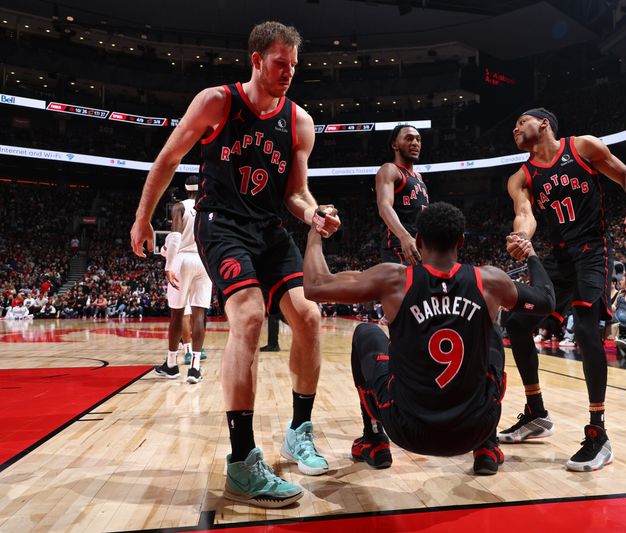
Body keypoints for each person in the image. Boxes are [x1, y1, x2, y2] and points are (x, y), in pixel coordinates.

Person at [130, 21, 340, 508]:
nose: (288, 72)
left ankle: (298, 430)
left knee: (309, 315)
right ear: (256, 59)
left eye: (294, 64)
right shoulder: (216, 102)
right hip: (221, 224)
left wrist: (314, 213)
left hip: (269, 229)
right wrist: (143, 220)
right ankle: (242, 463)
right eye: (279, 62)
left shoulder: (299, 122)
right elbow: (166, 159)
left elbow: (295, 193)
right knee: (247, 315)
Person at [302, 202, 555, 475]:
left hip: (408, 430)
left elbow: (315, 286)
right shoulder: (490, 281)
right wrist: (531, 255)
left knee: (366, 332)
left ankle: (374, 439)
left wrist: (317, 230)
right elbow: (546, 300)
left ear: (419, 240)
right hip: (474, 427)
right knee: (492, 330)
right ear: (461, 240)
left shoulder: (394, 280)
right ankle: (487, 445)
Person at [503, 108, 626, 471]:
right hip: (557, 258)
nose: (515, 127)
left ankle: (598, 433)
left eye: (522, 121)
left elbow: (625, 175)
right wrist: (522, 236)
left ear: (544, 123)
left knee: (585, 328)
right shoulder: (521, 177)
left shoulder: (582, 147)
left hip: (592, 250)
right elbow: (525, 213)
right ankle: (536, 413)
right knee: (518, 323)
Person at [152, 175, 212, 384]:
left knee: (177, 314)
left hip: (183, 258)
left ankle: (171, 364)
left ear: (186, 189)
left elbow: (175, 238)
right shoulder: (210, 207)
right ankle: (195, 368)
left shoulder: (179, 207)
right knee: (199, 314)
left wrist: (169, 266)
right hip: (205, 261)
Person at [375, 125, 429, 264]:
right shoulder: (390, 169)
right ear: (395, 145)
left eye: (418, 139)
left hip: (421, 246)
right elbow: (384, 206)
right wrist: (404, 236)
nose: (415, 143)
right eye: (409, 138)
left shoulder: (419, 177)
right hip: (400, 245)